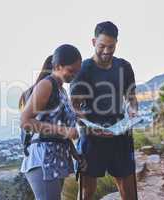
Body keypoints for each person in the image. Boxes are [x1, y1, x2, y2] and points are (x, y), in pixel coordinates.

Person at [70, 21, 139, 200]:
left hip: (120, 135)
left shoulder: (124, 66)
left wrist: (132, 112)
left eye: (111, 46)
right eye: (102, 46)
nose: (107, 51)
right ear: (93, 42)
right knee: (86, 193)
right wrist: (87, 125)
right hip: (92, 138)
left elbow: (131, 99)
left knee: (130, 193)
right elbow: (74, 108)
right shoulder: (83, 69)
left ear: (117, 43)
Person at [20, 44, 84, 200]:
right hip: (43, 159)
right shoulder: (46, 85)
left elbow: (61, 128)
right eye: (71, 71)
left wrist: (75, 154)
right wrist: (64, 131)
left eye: (77, 71)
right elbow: (25, 121)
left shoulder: (61, 90)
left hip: (56, 159)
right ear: (58, 66)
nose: (74, 75)